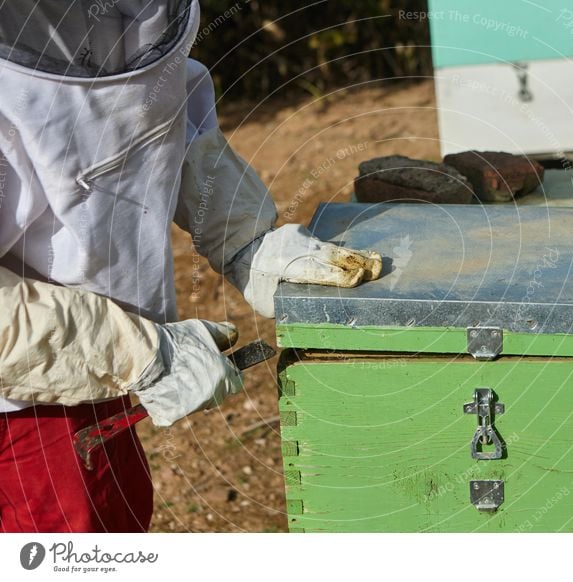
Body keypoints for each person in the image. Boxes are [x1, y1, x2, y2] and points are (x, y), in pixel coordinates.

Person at [0, 0, 381, 532]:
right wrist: (136, 353)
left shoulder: (125, 25)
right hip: (26, 405)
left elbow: (155, 131)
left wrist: (245, 239)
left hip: (83, 387)